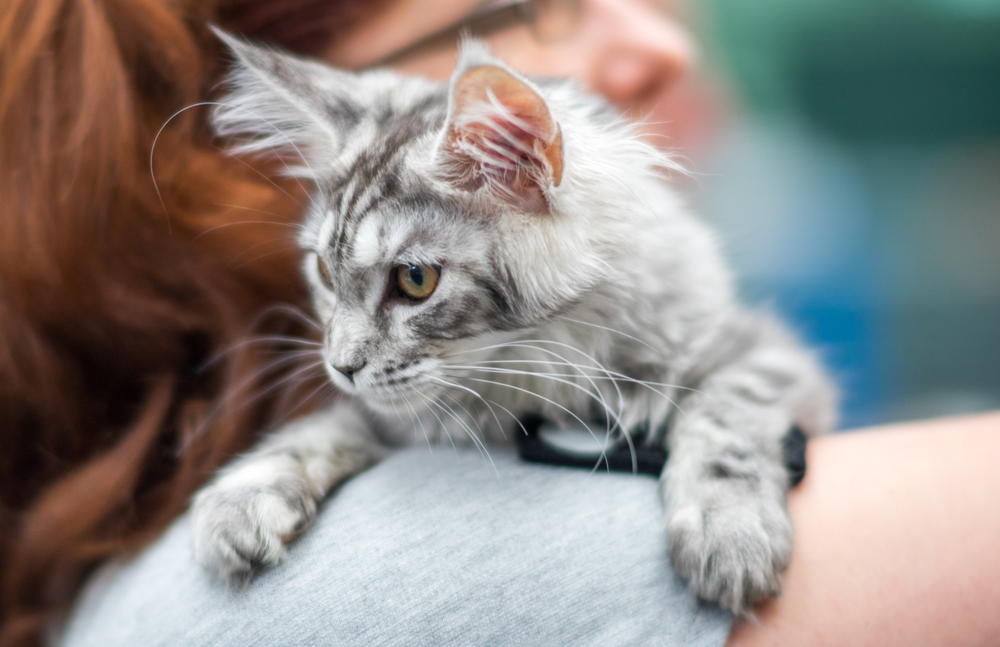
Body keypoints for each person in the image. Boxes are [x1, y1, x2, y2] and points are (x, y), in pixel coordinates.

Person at [1, 0, 998, 646]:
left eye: (412, 278)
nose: (341, 353)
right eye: (539, 7)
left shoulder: (634, 264)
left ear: (520, 159)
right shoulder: (311, 603)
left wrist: (728, 451)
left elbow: (753, 363)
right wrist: (318, 449)